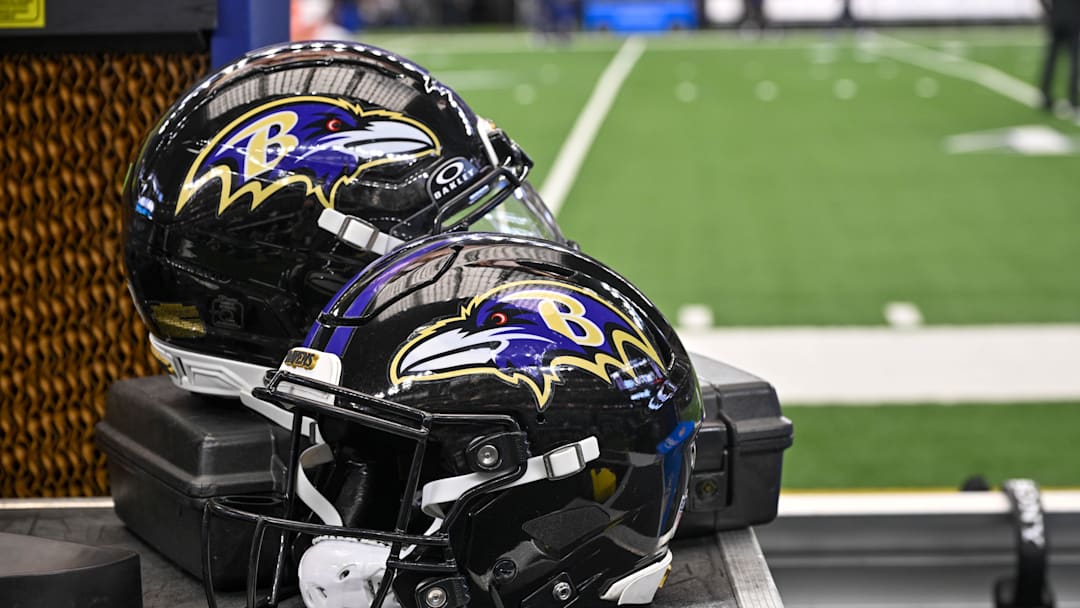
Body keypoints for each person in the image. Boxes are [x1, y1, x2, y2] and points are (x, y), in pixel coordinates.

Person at [1039, 0, 1080, 112]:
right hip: (1073, 22)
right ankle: (1073, 99)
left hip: (1057, 20)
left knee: (1051, 61)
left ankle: (1045, 95)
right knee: (1073, 62)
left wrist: (1050, 12)